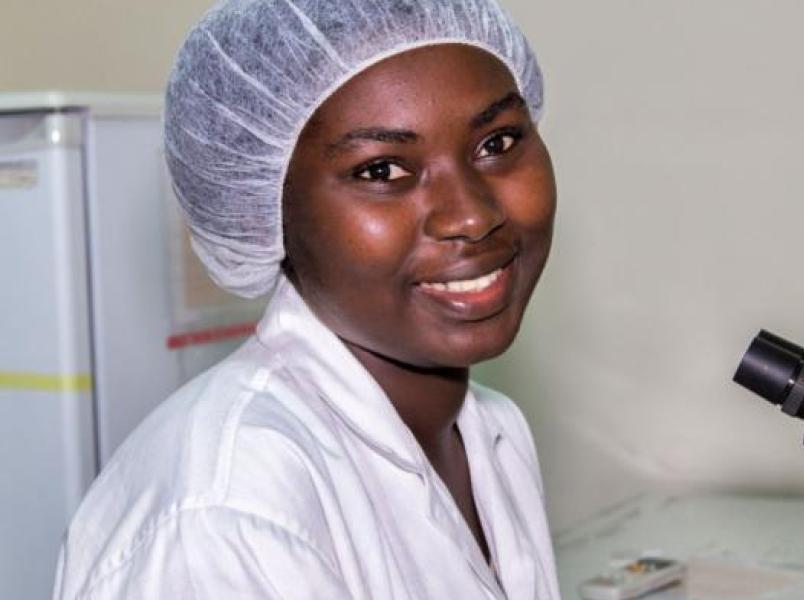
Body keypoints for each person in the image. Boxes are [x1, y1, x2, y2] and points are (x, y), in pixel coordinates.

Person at [52, 1, 558, 598]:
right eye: (382, 171)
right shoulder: (226, 518)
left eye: (497, 143)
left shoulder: (491, 431)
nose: (472, 215)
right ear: (263, 209)